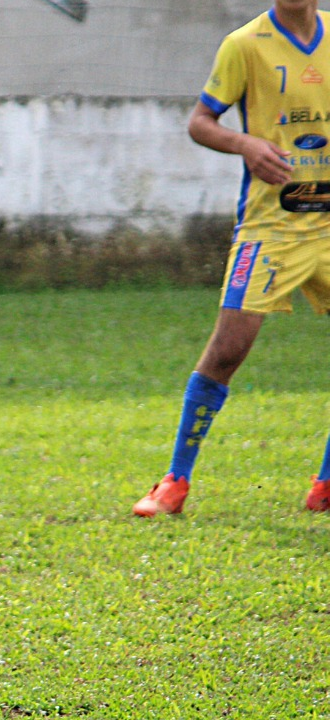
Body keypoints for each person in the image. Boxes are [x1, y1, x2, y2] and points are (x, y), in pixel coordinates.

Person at [132, 0, 330, 517]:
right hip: (270, 228)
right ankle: (174, 481)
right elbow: (201, 122)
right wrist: (245, 143)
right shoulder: (244, 44)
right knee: (227, 351)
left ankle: (325, 483)